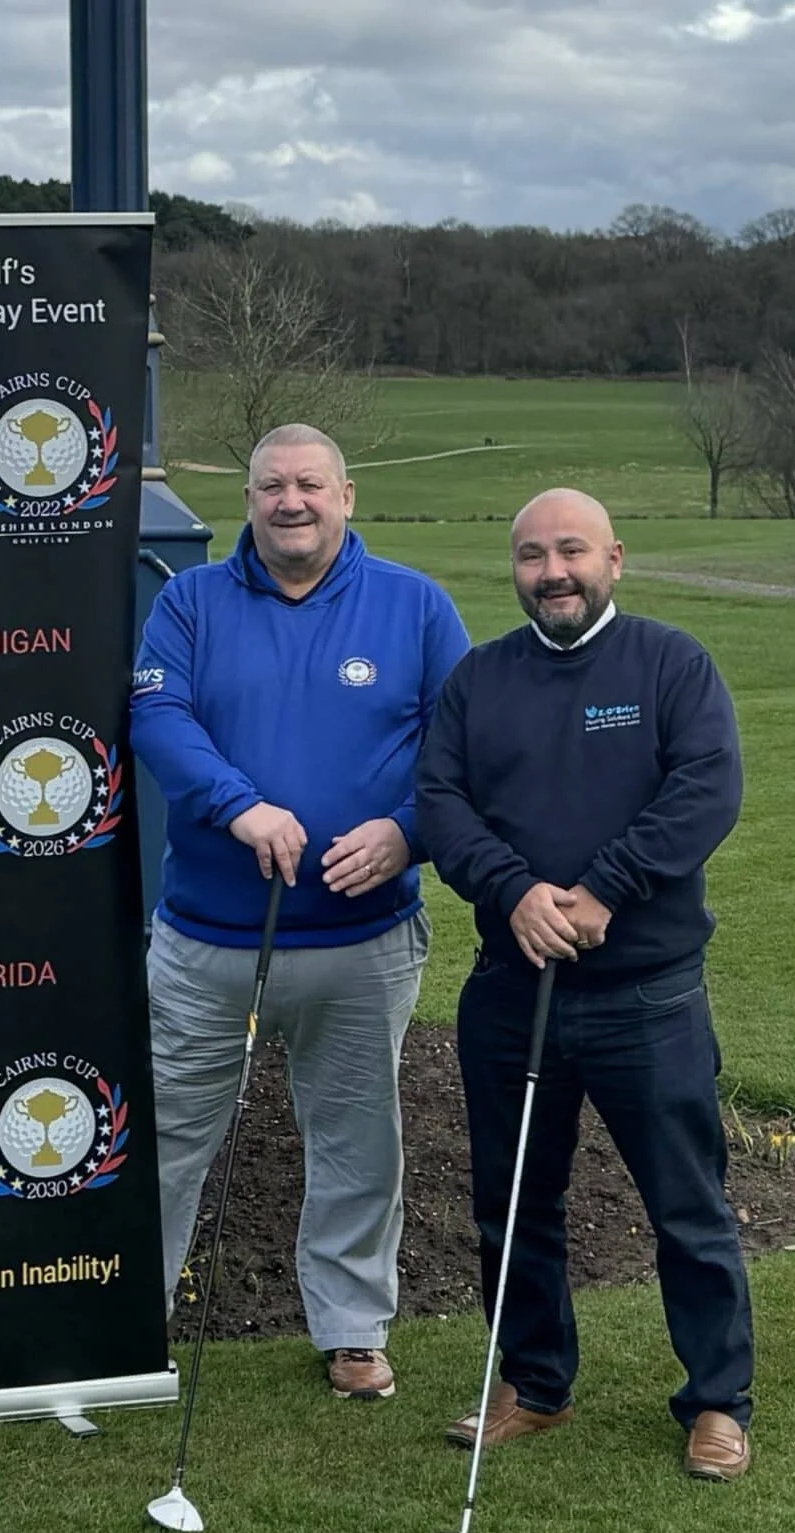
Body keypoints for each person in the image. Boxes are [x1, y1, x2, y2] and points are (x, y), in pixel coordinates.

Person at [415, 487, 755, 1479]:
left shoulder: (669, 664)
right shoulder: (478, 681)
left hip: (644, 994)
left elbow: (706, 786)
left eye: (570, 550)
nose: (551, 571)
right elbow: (439, 802)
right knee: (514, 1201)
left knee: (686, 1204)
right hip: (511, 989)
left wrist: (605, 889)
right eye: (531, 555)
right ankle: (534, 1384)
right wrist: (514, 889)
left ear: (614, 558)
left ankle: (716, 1400)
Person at [131, 422, 470, 1400]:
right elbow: (156, 715)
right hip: (206, 940)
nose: (291, 501)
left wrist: (408, 832)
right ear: (248, 500)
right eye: (272, 485)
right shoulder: (189, 602)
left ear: (345, 496)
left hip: (362, 943)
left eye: (309, 484)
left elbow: (464, 746)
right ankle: (128, 1315)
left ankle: (352, 1328)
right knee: (166, 1135)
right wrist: (238, 805)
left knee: (358, 1137)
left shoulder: (414, 605)